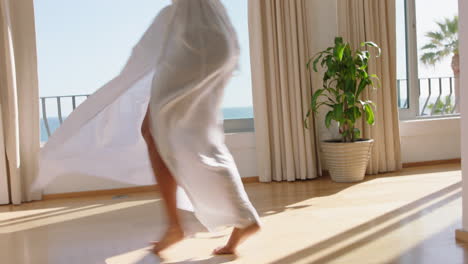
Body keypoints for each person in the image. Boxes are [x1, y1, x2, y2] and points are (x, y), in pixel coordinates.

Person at [140, 0, 261, 255]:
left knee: (154, 129)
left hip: (193, 39)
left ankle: (175, 226)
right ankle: (243, 218)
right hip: (214, 35)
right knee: (198, 137)